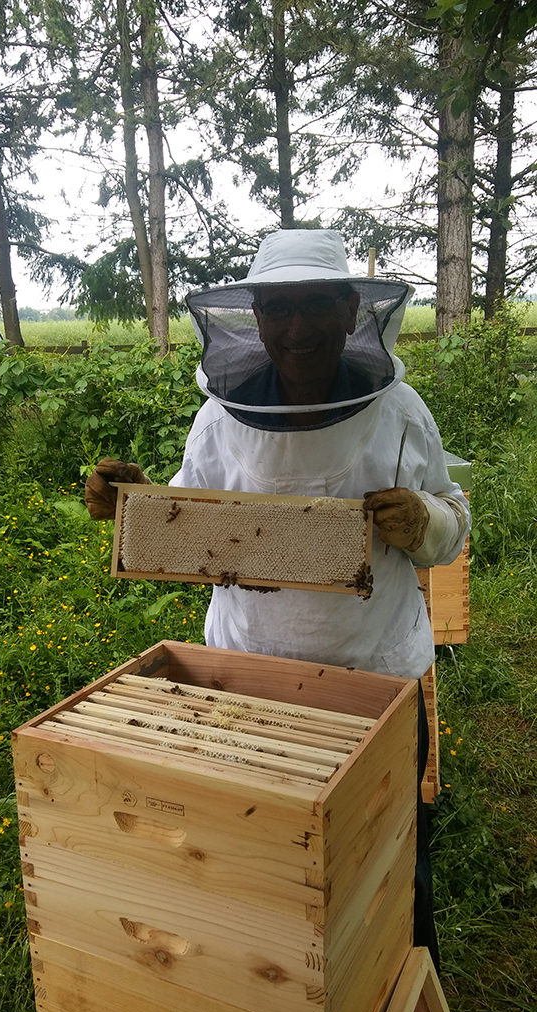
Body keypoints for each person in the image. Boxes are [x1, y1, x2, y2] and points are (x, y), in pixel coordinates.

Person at [85, 229, 471, 968]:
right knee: (261, 858)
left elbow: (453, 519)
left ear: (351, 311)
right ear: (256, 319)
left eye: (316, 305)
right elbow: (195, 520)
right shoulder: (218, 419)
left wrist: (426, 521)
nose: (298, 328)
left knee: (388, 854)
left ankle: (404, 979)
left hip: (375, 676)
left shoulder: (400, 412)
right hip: (250, 680)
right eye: (279, 309)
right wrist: (137, 505)